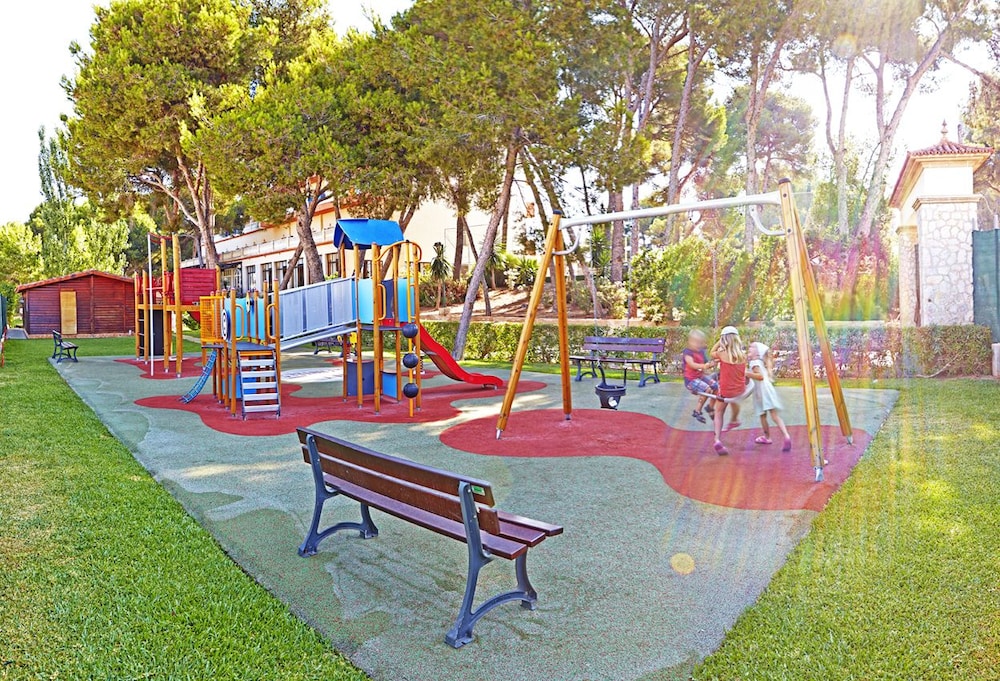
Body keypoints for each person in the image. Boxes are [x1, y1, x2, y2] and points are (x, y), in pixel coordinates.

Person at [747, 342, 792, 451]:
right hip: (765, 391)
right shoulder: (759, 362)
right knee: (773, 415)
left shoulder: (754, 362)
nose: (749, 348)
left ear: (758, 353)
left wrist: (745, 373)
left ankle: (768, 437)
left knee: (763, 415)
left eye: (752, 347)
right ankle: (785, 435)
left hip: (762, 392)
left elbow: (760, 376)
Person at [710, 326, 746, 455]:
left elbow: (711, 352)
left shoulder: (722, 353)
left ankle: (717, 439)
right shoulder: (743, 355)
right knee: (734, 400)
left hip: (726, 391)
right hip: (739, 390)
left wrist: (719, 342)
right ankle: (735, 419)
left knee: (719, 411)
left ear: (724, 339)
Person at [682, 329, 717, 423]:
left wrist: (712, 363)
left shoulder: (701, 352)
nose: (698, 345)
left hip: (700, 377)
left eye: (700, 343)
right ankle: (697, 411)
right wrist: (704, 366)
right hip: (690, 380)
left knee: (715, 386)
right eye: (696, 342)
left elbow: (707, 363)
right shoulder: (688, 352)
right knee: (707, 389)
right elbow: (692, 364)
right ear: (690, 342)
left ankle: (710, 407)